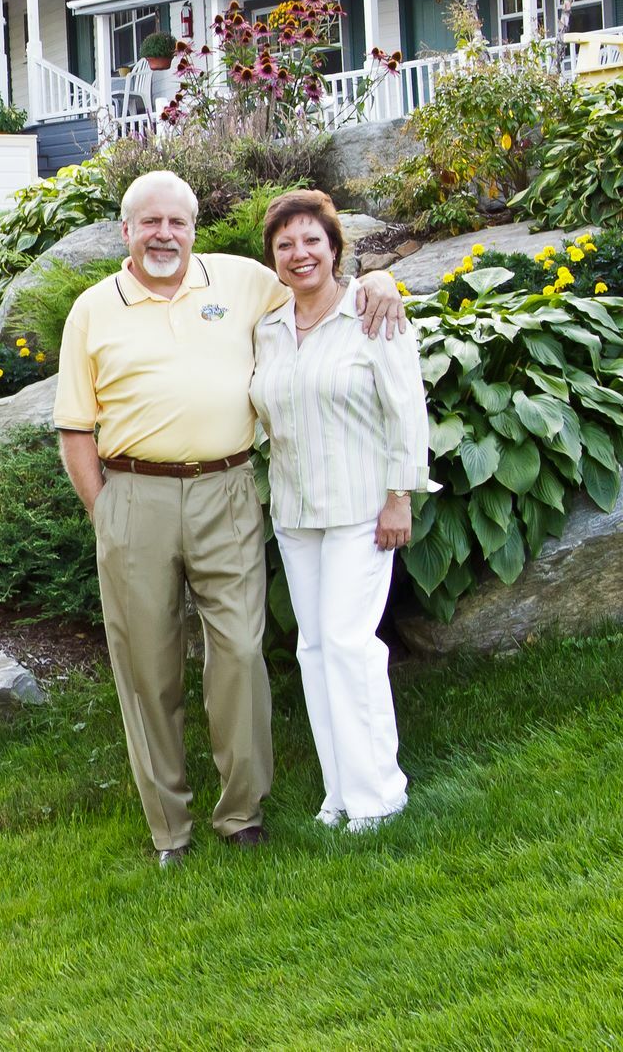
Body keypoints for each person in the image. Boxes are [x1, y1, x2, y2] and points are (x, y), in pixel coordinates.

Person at [53, 170, 404, 865]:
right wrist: (108, 513)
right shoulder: (93, 309)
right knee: (146, 667)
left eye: (177, 222)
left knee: (240, 653)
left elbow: (321, 286)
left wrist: (380, 281)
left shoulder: (241, 281)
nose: (164, 234)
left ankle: (241, 810)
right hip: (134, 495)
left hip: (228, 488)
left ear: (193, 229)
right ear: (126, 232)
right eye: (149, 222)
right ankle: (169, 829)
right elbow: (74, 431)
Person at [250, 189, 431, 833]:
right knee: (316, 649)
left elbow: (405, 406)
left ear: (334, 248)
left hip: (362, 508)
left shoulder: (369, 312)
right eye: (285, 244)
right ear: (273, 258)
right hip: (297, 513)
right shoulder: (268, 329)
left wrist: (400, 495)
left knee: (351, 645)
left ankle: (380, 794)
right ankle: (339, 793)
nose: (300, 254)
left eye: (312, 241)